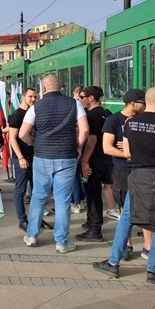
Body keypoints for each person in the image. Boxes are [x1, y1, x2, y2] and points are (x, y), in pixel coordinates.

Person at [93, 87, 155, 284]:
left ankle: (113, 262)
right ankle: (153, 270)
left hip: (138, 175)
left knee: (127, 217)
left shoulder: (129, 124)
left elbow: (129, 152)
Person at [19, 75, 89, 253]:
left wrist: (34, 142)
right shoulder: (75, 104)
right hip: (67, 156)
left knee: (38, 197)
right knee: (62, 200)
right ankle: (62, 242)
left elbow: (22, 134)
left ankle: (32, 236)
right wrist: (79, 147)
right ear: (61, 88)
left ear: (43, 89)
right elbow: (85, 129)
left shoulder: (36, 107)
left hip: (42, 157)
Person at [100, 88, 145, 259]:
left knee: (143, 209)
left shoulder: (143, 120)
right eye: (142, 103)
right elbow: (107, 147)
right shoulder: (113, 120)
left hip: (141, 170)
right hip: (122, 170)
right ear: (132, 104)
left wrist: (129, 147)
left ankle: (147, 247)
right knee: (124, 209)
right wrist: (128, 153)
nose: (145, 105)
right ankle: (127, 245)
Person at [76, 86, 113, 242]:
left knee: (93, 194)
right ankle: (91, 222)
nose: (80, 99)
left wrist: (84, 160)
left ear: (91, 98)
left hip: (94, 160)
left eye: (82, 97)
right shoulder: (107, 114)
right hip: (106, 159)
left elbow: (92, 139)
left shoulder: (91, 116)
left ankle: (95, 229)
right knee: (96, 192)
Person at [8, 87, 37, 232]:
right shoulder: (16, 116)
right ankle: (22, 220)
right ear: (23, 97)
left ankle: (36, 218)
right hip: (22, 158)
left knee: (37, 189)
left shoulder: (34, 113)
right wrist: (20, 157)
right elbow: (12, 138)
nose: (33, 99)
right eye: (30, 96)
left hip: (34, 156)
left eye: (35, 97)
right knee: (20, 190)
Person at [70, 85, 85, 214]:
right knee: (77, 175)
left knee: (74, 176)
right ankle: (79, 199)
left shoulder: (75, 108)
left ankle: (76, 203)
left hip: (76, 145)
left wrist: (78, 147)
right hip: (81, 144)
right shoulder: (84, 109)